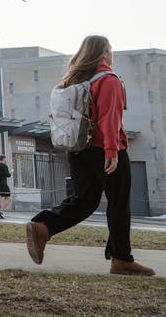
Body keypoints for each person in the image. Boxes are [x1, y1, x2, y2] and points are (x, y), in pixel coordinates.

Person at [26, 36, 155, 276]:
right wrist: (112, 151)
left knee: (85, 200)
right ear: (105, 53)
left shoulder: (75, 80)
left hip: (78, 149)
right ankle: (121, 259)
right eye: (111, 50)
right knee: (118, 202)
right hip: (103, 148)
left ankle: (43, 226)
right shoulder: (109, 80)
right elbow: (110, 118)